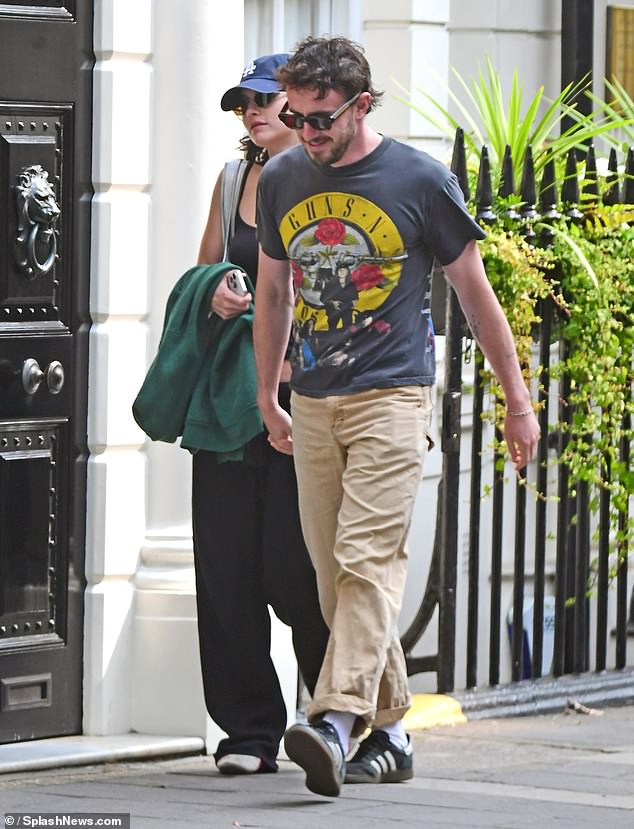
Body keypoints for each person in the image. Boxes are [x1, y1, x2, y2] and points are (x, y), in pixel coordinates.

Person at [252, 36, 541, 797]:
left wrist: (517, 400)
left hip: (393, 393)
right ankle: (396, 730)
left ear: (362, 105)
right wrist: (266, 394)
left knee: (367, 558)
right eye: (298, 117)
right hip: (313, 399)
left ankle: (336, 724)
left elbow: (476, 296)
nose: (308, 132)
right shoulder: (283, 177)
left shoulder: (418, 179)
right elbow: (275, 290)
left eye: (322, 119)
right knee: (333, 574)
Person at [193, 53, 329, 777]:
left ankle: (336, 715)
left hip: (302, 406)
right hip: (229, 406)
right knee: (224, 569)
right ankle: (247, 731)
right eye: (244, 101)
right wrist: (218, 291)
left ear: (302, 106)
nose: (252, 111)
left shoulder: (326, 184)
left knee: (293, 569)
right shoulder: (231, 181)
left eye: (264, 99)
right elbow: (202, 270)